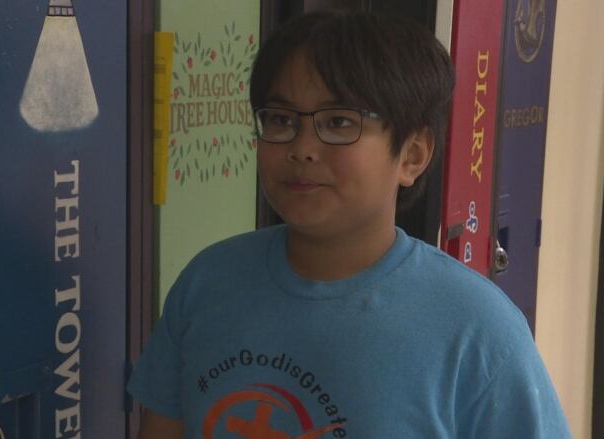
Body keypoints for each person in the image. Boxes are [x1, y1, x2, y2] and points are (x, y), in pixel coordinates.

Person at [128, 9, 570, 439]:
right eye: (281, 119)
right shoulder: (209, 282)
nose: (302, 147)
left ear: (413, 155)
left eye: (339, 122)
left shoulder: (478, 330)